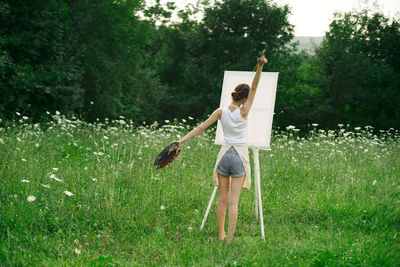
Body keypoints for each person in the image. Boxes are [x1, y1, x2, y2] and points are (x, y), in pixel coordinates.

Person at [178, 55, 268, 242]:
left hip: (224, 156)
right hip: (239, 157)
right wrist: (259, 66)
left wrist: (181, 141)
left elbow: (200, 128)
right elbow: (255, 87)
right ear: (243, 99)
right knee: (234, 202)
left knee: (222, 200)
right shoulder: (245, 110)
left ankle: (220, 234)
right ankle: (229, 239)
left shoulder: (220, 111)